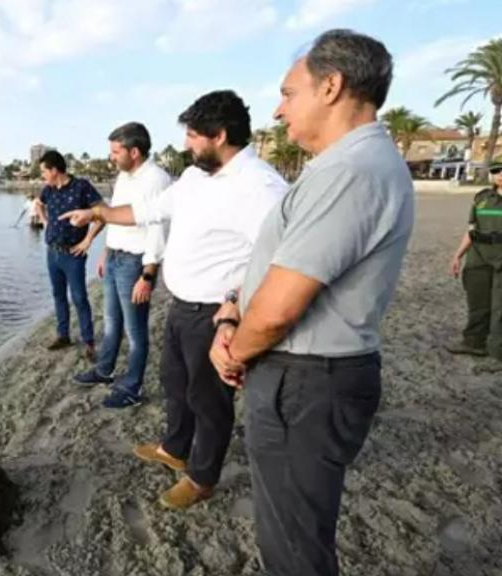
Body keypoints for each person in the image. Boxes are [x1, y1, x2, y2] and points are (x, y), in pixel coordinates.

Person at [209, 30, 413, 576]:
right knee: (290, 526)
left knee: (294, 543)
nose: (278, 111)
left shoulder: (351, 171)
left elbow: (279, 308)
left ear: (331, 86)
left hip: (306, 380)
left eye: (288, 93)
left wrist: (234, 352)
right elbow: (272, 272)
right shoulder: (341, 167)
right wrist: (232, 309)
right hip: (304, 375)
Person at [61, 92, 288, 507]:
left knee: (210, 398)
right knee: (175, 383)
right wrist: (97, 215)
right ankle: (176, 448)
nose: (185, 144)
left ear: (219, 136)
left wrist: (233, 311)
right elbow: (148, 211)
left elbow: (276, 263)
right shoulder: (195, 177)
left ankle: (203, 477)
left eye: (192, 135)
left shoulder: (262, 188)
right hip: (181, 304)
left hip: (216, 313)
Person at [73, 122, 172, 409]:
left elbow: (158, 229)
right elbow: (114, 217)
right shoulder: (125, 176)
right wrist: (105, 252)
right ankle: (105, 370)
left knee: (135, 330)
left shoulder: (156, 179)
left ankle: (132, 386)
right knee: (112, 321)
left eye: (116, 151)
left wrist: (147, 275)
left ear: (135, 151)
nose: (112, 157)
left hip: (135, 262)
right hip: (116, 256)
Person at [36, 150, 105, 360]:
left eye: (43, 171)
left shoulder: (81, 187)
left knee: (79, 297)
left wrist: (88, 240)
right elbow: (38, 204)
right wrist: (44, 221)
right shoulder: (47, 189)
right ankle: (63, 335)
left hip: (73, 254)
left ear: (54, 170)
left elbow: (103, 214)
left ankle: (89, 342)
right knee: (58, 295)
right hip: (52, 253)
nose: (42, 176)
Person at [447, 161, 502, 360]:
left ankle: (497, 354)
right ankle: (474, 343)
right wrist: (458, 255)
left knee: (499, 308)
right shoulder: (482, 199)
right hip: (478, 256)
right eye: (496, 171)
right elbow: (472, 231)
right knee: (478, 301)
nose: (500, 175)